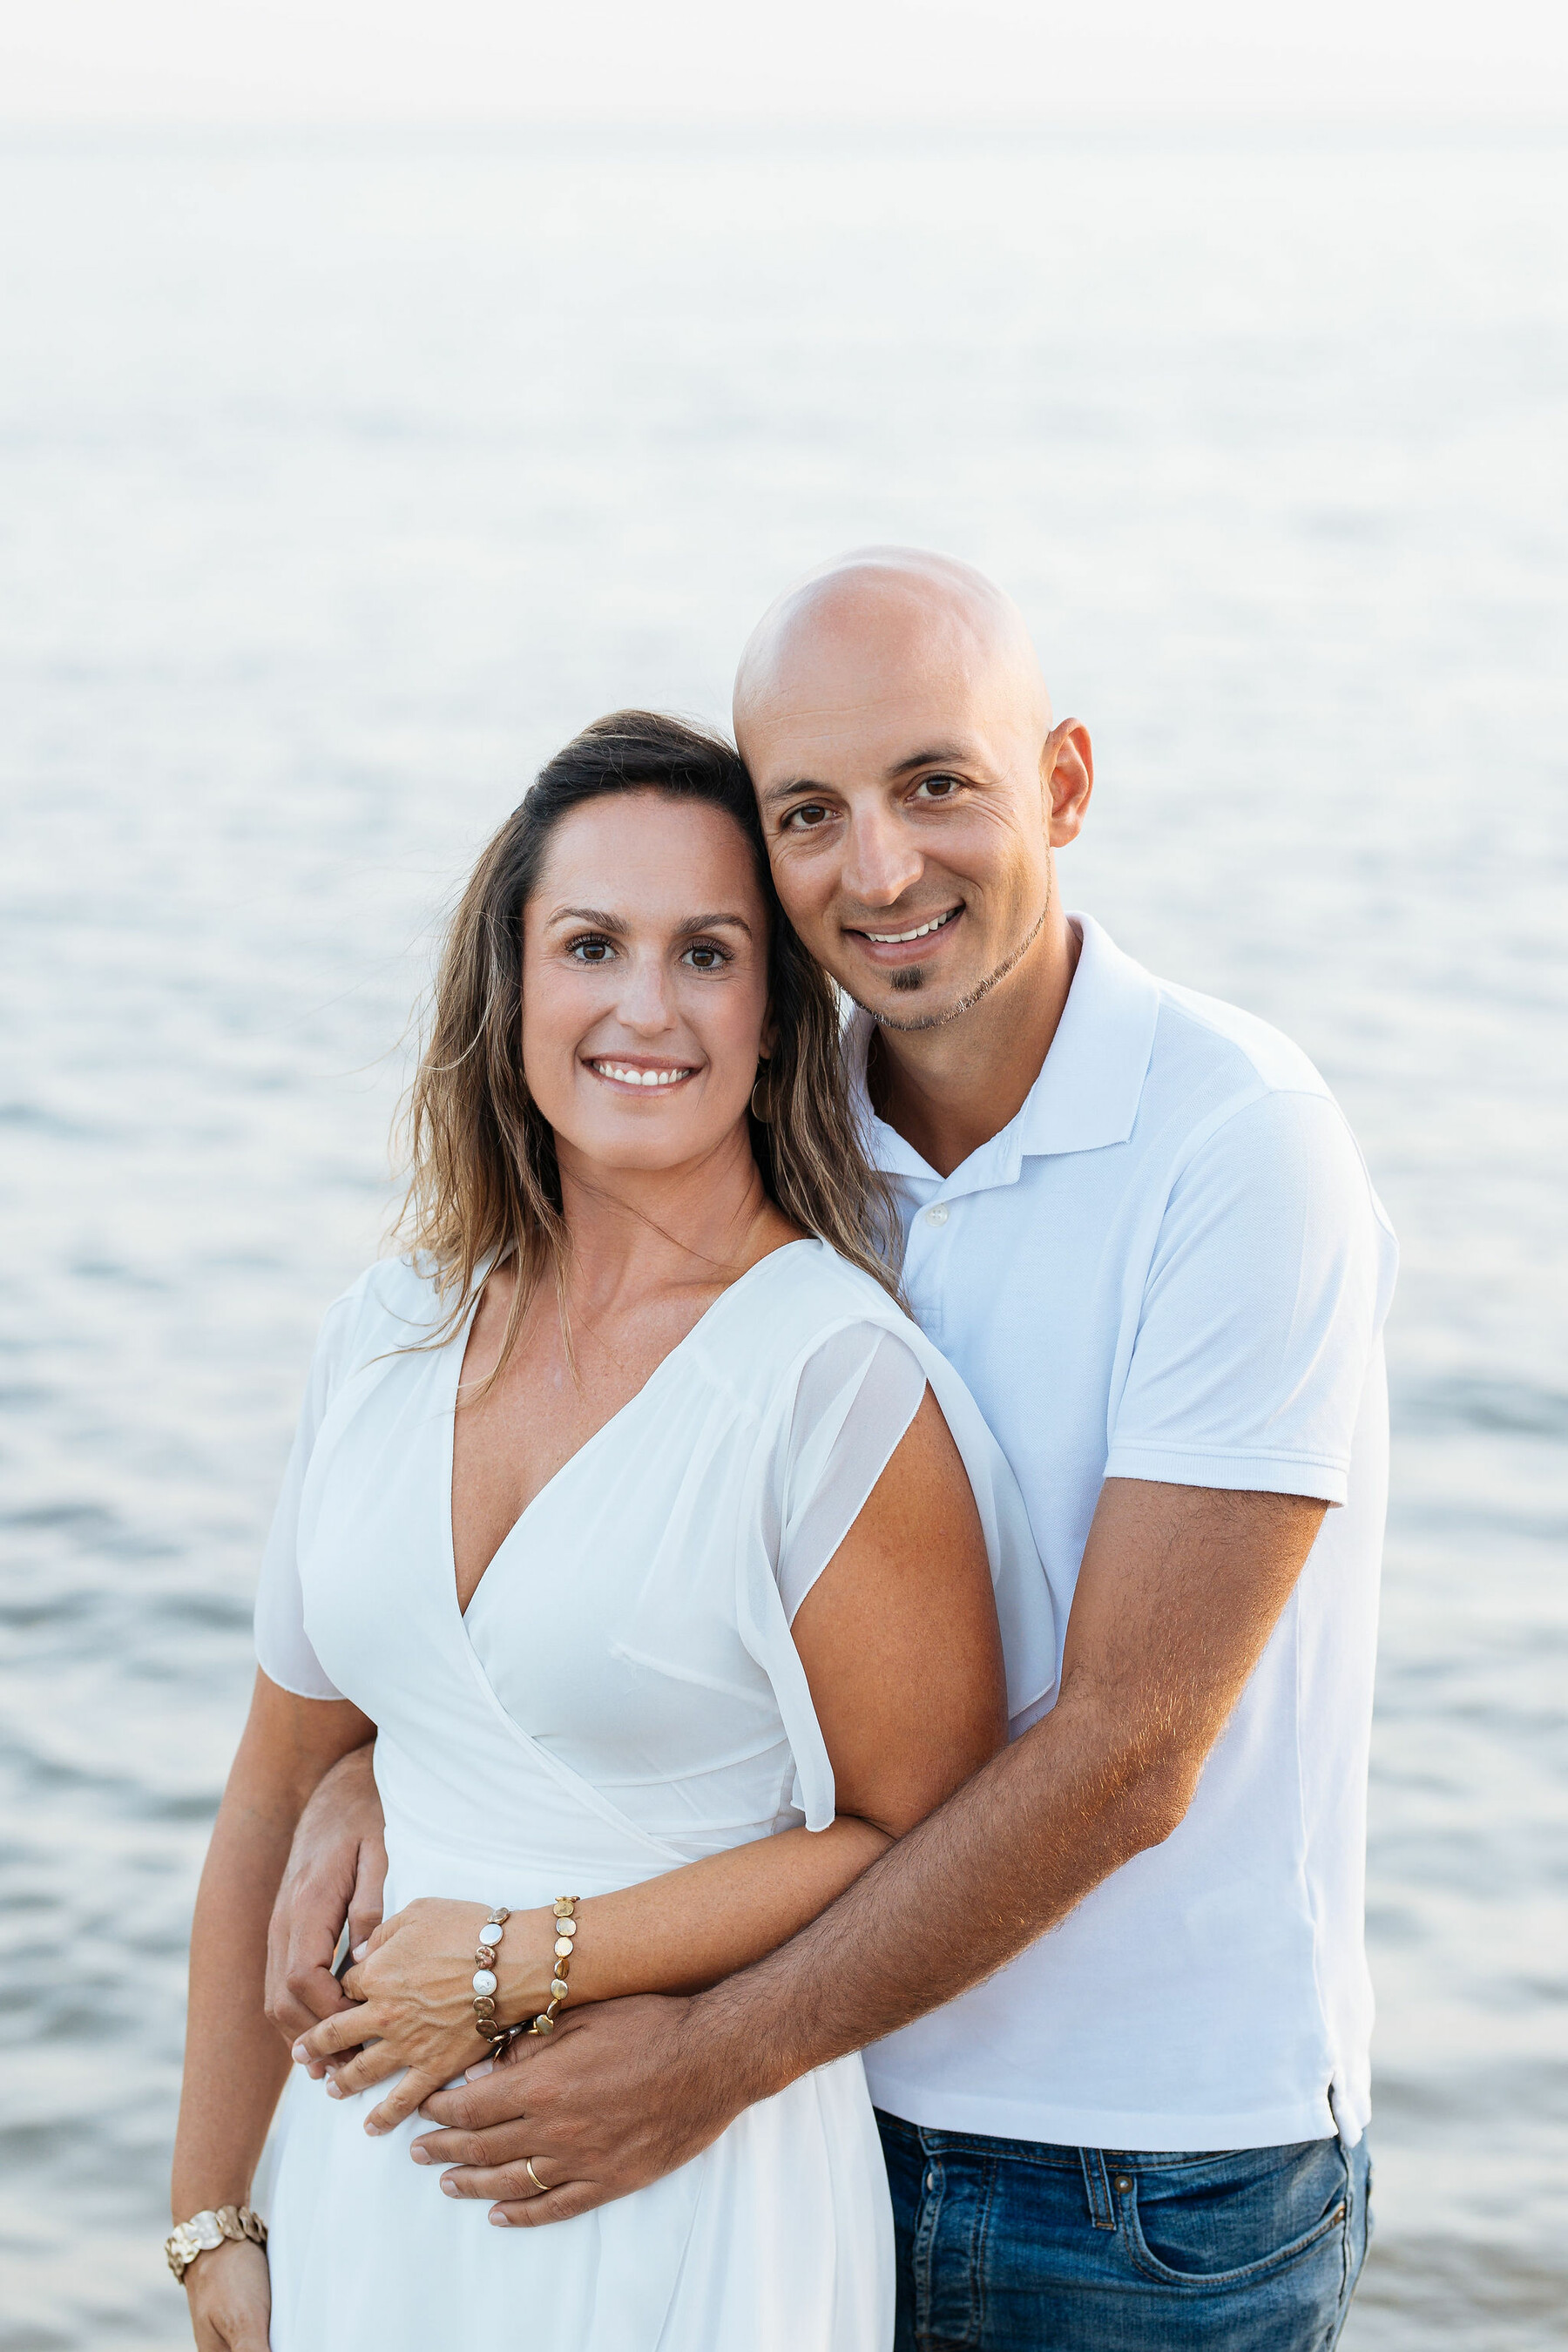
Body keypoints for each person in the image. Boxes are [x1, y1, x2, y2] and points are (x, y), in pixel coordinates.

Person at [274, 551, 1398, 2349]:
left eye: (937, 785)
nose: (878, 870)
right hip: (822, 2122)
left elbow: (1130, 1753)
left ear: (1068, 785)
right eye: (811, 815)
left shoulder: (1237, 1148)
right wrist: (380, 1766)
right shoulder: (787, 1131)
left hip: (1132, 2177)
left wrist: (706, 2058)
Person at [166, 710, 1058, 2352]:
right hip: (364, 2191)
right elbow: (275, 1780)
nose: (645, 1008)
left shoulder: (828, 1383)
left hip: (670, 2191)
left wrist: (522, 1961)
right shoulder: (385, 1332)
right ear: (511, 985)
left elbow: (912, 1847)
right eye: (593, 945)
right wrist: (213, 2213)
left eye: (708, 953)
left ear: (776, 1007)